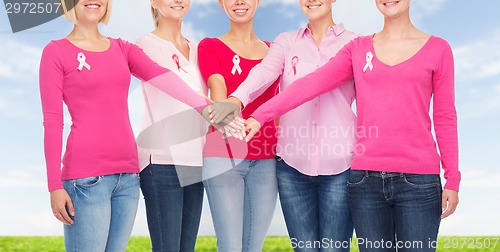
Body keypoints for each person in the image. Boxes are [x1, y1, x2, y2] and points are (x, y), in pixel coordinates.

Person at [242, 0, 460, 251]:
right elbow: (312, 84)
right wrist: (260, 115)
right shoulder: (358, 48)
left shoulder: (438, 49)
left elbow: (445, 116)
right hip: (365, 182)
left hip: (419, 182)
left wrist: (452, 179)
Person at [39, 0, 211, 251]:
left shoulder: (123, 48)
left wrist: (205, 107)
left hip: (128, 178)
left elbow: (163, 78)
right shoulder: (56, 51)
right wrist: (54, 185)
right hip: (86, 180)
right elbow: (53, 121)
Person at [210, 0, 358, 250]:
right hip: (292, 168)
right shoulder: (286, 42)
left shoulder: (356, 44)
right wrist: (237, 99)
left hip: (341, 167)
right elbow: (265, 71)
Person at [197, 0, 280, 250]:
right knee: (231, 246)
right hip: (223, 158)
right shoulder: (210, 45)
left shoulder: (274, 50)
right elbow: (217, 88)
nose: (239, 2)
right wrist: (228, 117)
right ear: (222, 5)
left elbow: (278, 106)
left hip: (267, 160)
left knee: (253, 246)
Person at [135, 0, 207, 250]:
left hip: (196, 161)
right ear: (154, 2)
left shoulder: (199, 49)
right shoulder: (146, 44)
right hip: (162, 161)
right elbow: (176, 87)